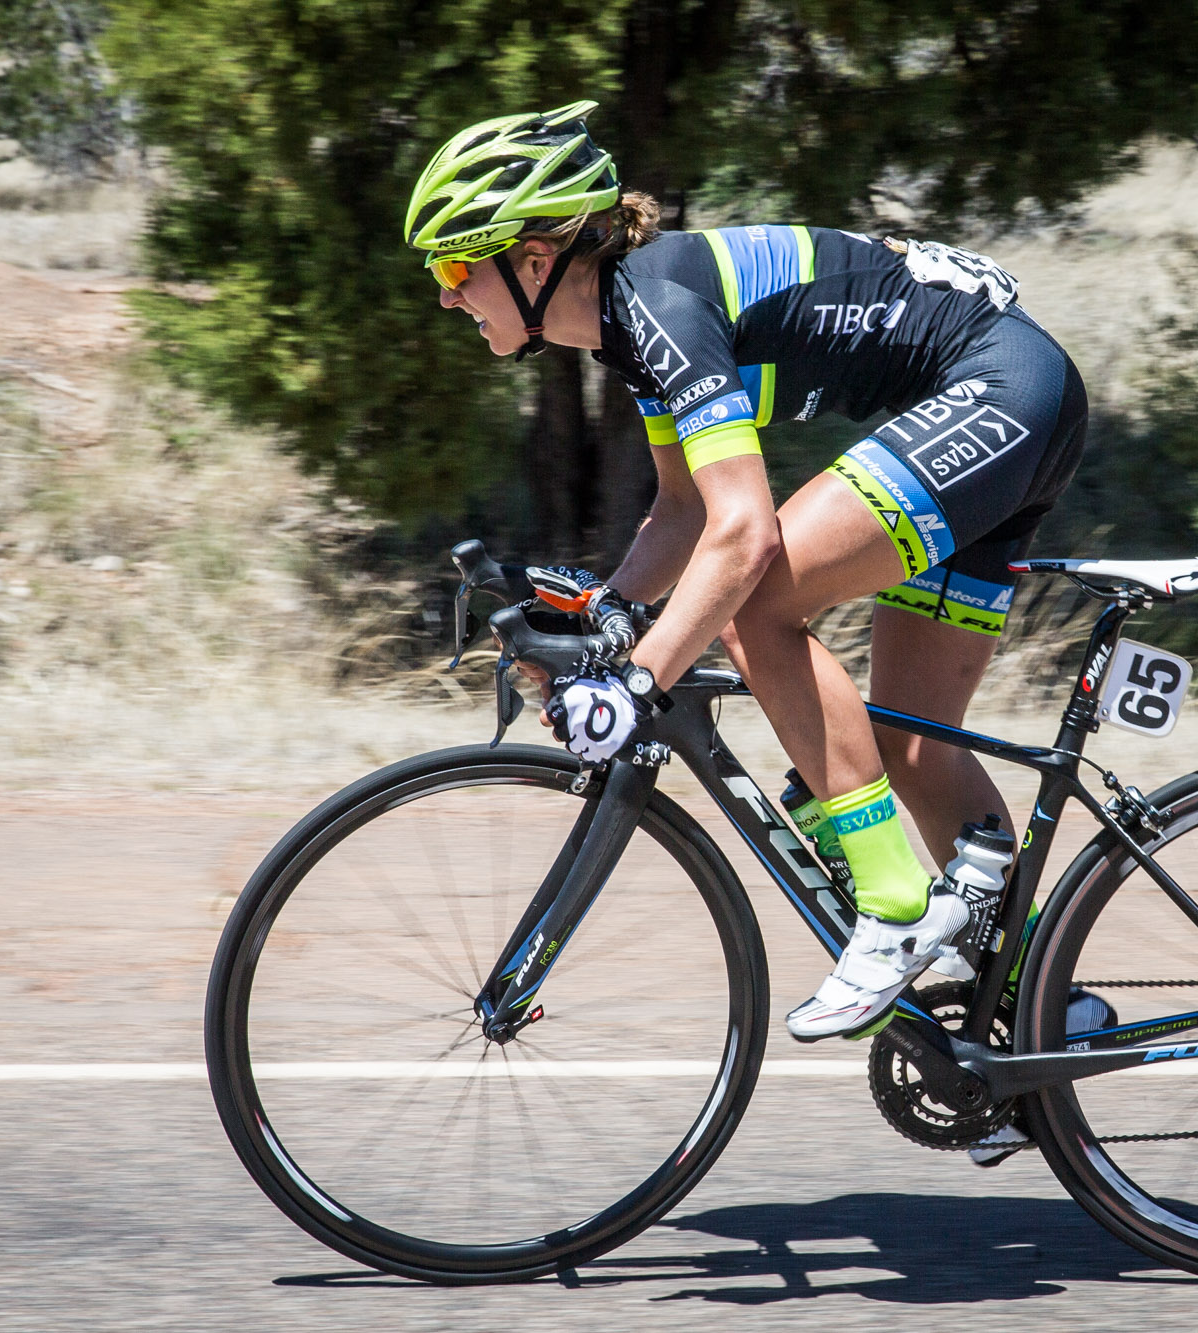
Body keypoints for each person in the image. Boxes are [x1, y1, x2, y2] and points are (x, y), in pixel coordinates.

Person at [406, 102, 1091, 1151]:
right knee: (902, 739)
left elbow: (740, 540)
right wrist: (607, 617)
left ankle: (897, 908)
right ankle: (1029, 1015)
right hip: (1007, 401)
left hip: (1002, 392)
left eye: (455, 272)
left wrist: (636, 682)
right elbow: (680, 513)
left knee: (757, 606)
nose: (446, 298)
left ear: (534, 257)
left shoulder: (658, 306)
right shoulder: (635, 330)